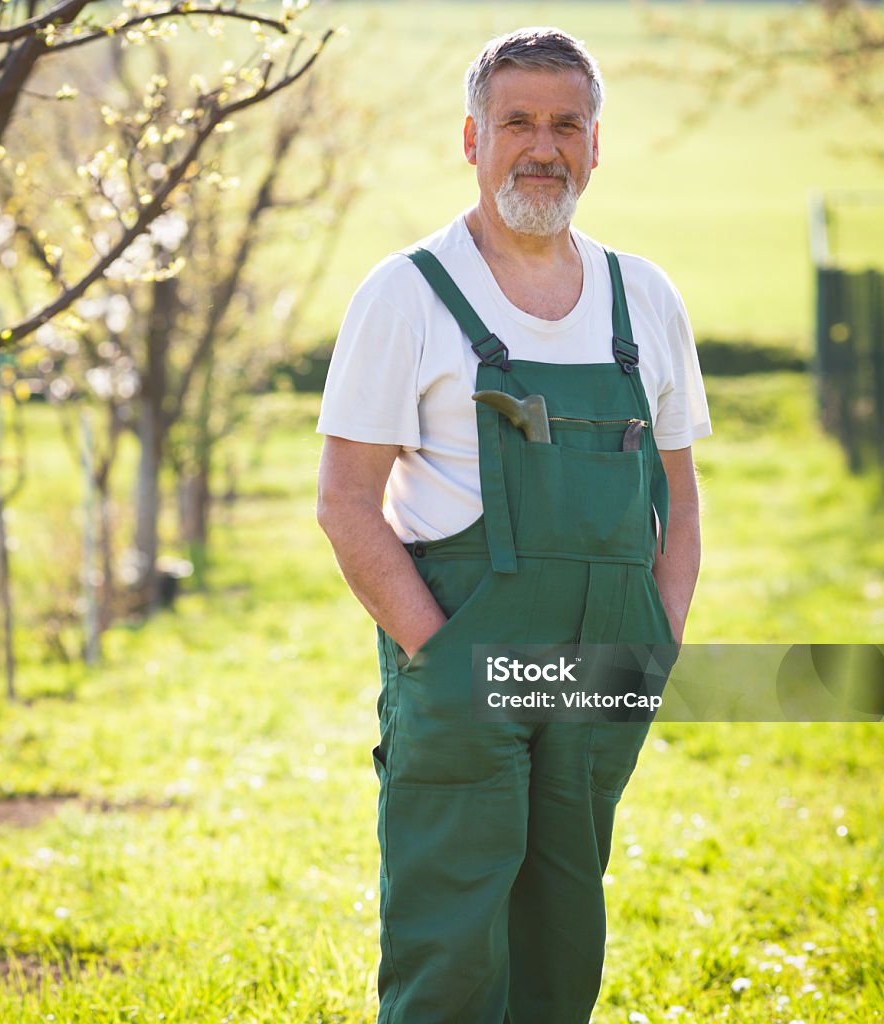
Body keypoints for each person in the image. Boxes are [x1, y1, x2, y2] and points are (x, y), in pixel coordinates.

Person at [316, 26, 711, 1024]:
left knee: (561, 934)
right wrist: (434, 652)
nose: (543, 146)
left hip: (603, 660)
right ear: (471, 138)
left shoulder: (644, 297)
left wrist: (655, 640)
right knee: (449, 944)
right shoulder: (406, 293)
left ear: (594, 143)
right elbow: (345, 500)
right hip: (466, 654)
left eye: (565, 124)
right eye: (517, 122)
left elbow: (681, 492)